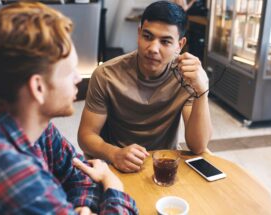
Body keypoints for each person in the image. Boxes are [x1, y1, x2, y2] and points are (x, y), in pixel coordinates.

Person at [0, 2, 137, 214]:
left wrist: (83, 205)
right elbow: (98, 177)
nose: (78, 78)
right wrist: (113, 186)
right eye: (69, 71)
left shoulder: (22, 116)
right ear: (38, 87)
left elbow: (80, 171)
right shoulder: (18, 183)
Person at [78, 1, 213, 173]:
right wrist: (115, 153)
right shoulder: (106, 75)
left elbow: (198, 146)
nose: (153, 48)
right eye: (147, 37)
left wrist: (202, 92)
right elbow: (86, 136)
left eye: (165, 41)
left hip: (163, 163)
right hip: (119, 164)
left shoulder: (185, 76)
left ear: (179, 45)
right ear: (139, 33)